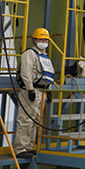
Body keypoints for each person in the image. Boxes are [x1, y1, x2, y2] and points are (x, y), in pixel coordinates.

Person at [14, 28, 55, 159]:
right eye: (41, 39)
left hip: (41, 91)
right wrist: (30, 89)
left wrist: (48, 91)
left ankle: (29, 147)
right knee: (26, 119)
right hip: (30, 91)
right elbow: (26, 72)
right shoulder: (29, 54)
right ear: (34, 40)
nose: (43, 41)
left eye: (45, 39)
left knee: (35, 121)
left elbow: (47, 74)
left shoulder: (44, 56)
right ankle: (20, 149)